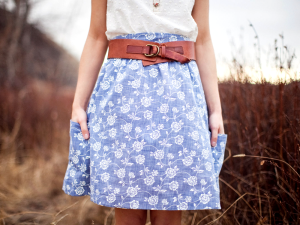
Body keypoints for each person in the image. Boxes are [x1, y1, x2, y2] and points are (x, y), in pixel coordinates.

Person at [62, 0, 228, 225]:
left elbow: (203, 39)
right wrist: (78, 105)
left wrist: (215, 109)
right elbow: (96, 36)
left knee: (172, 203)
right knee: (128, 209)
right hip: (122, 94)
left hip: (179, 96)